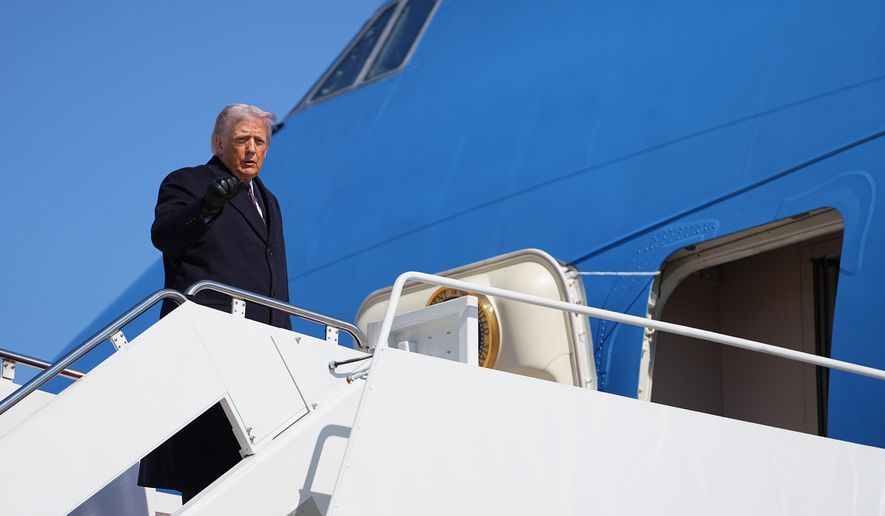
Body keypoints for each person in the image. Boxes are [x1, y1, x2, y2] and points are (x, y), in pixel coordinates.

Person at [138, 104, 291, 502]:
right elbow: (165, 236)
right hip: (208, 347)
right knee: (210, 466)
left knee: (258, 470)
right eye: (242, 140)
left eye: (260, 141)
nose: (252, 149)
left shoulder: (269, 201)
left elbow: (274, 282)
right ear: (219, 143)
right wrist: (205, 208)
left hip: (263, 354)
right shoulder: (188, 182)